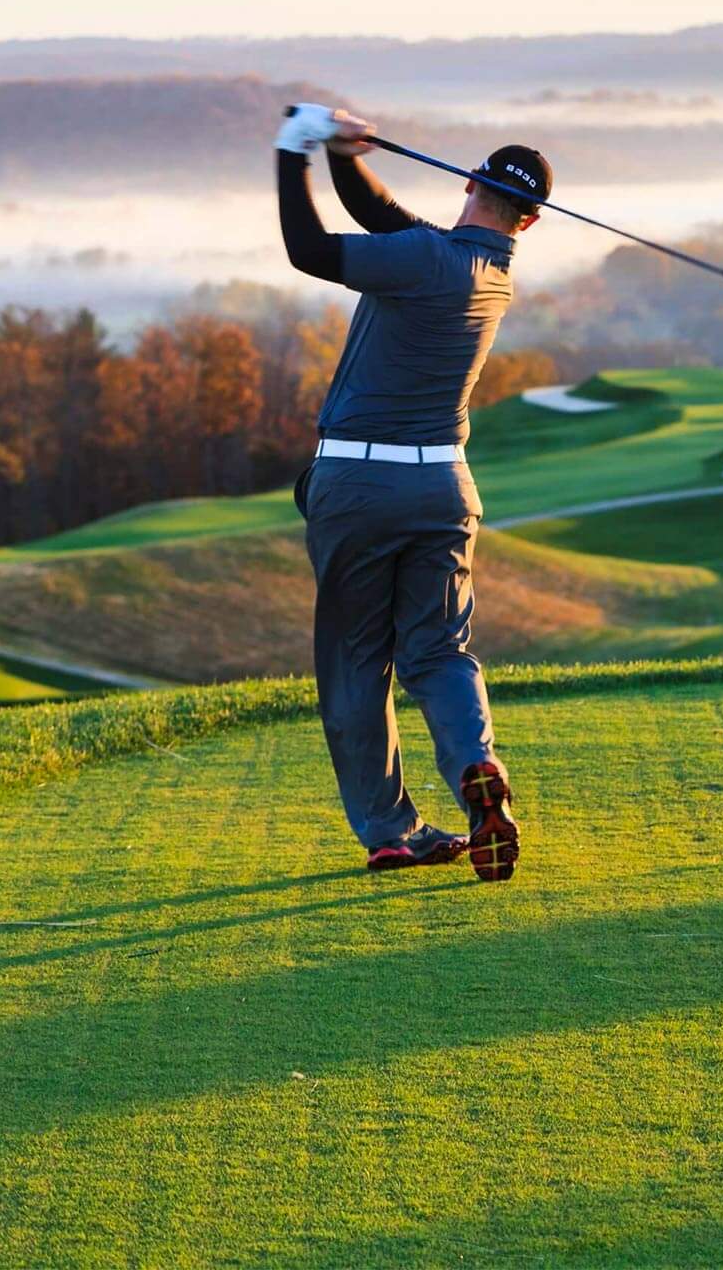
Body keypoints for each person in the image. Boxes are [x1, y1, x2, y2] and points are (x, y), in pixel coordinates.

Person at [274, 101, 547, 880]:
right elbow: (383, 215)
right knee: (440, 649)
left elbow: (308, 248)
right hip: (445, 488)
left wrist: (292, 149)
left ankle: (392, 830)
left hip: (359, 483)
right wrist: (341, 153)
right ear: (528, 223)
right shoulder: (490, 275)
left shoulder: (426, 259)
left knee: (359, 659)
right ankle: (474, 768)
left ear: (468, 182)